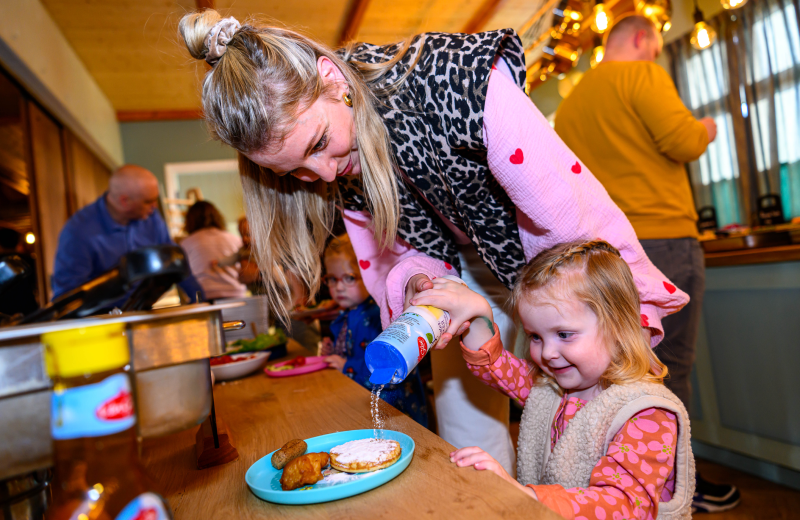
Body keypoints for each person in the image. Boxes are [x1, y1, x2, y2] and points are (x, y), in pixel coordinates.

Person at [178, 11, 689, 474]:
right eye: (294, 171)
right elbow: (394, 256)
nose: (323, 173)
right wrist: (421, 282)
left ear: (331, 80)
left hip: (551, 258)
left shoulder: (456, 78)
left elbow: (570, 217)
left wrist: (615, 314)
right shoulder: (337, 157)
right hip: (462, 264)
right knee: (469, 428)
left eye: (317, 145)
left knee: (599, 417)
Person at [553, 15, 738, 512]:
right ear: (640, 39)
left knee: (616, 372)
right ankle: (677, 486)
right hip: (663, 241)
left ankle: (620, 485)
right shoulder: (644, 76)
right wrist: (704, 128)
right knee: (667, 367)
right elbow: (682, 142)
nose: (656, 57)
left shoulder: (570, 106)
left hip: (606, 254)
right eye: (655, 49)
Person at [413, 241, 693, 519]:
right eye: (535, 336)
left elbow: (624, 506)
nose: (546, 353)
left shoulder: (647, 413)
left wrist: (526, 495)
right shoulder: (551, 387)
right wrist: (477, 316)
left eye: (564, 334)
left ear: (619, 326)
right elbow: (496, 366)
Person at [52, 164, 203, 308]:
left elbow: (173, 258)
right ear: (124, 201)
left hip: (141, 307)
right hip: (102, 317)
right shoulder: (79, 232)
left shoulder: (151, 218)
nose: (154, 207)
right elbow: (67, 297)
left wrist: (200, 299)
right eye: (148, 202)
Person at [321, 234, 427, 426]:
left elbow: (389, 372)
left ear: (370, 277)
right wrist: (334, 354)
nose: (338, 287)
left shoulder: (382, 316)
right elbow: (351, 353)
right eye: (332, 279)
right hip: (361, 406)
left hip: (396, 413)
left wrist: (346, 366)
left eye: (349, 278)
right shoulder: (345, 315)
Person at [180, 200, 247, 300]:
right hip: (235, 293)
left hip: (204, 295)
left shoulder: (185, 243)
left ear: (189, 221)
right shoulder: (235, 239)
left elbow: (183, 275)